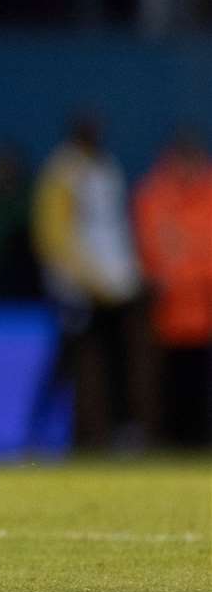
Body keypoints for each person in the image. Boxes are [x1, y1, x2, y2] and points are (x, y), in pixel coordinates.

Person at [30, 116, 145, 448]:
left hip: (111, 287)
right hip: (76, 287)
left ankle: (117, 430)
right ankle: (43, 431)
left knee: (114, 359)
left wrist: (125, 275)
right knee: (67, 361)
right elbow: (54, 235)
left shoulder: (105, 167)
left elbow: (114, 229)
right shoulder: (63, 171)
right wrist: (84, 279)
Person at [132, 130, 212, 447]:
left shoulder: (206, 194)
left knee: (200, 380)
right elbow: (150, 251)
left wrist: (188, 273)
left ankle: (199, 436)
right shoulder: (154, 195)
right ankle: (166, 436)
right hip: (162, 311)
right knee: (165, 381)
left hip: (203, 310)